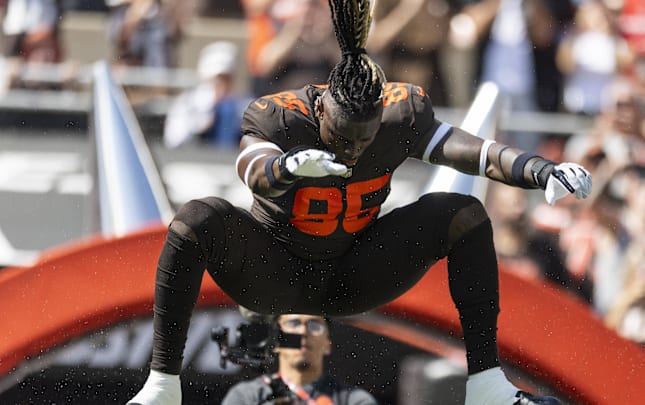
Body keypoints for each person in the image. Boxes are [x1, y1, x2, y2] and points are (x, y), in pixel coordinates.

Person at [126, 0, 592, 404]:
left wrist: (538, 169)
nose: (352, 150)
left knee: (462, 214)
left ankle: (487, 383)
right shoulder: (281, 118)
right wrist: (286, 170)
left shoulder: (400, 113)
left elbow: (474, 152)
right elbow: (253, 170)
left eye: (364, 139)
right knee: (194, 219)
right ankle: (164, 381)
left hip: (354, 275)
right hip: (275, 273)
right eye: (344, 137)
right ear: (323, 107)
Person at [221, 312, 378, 405]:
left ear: (327, 344)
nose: (303, 332)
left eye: (314, 325)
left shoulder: (354, 400)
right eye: (293, 323)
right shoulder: (246, 396)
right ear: (275, 341)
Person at [163, 41, 252, 149]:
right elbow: (173, 141)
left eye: (226, 79)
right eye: (217, 80)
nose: (222, 85)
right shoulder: (186, 103)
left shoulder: (244, 105)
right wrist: (202, 120)